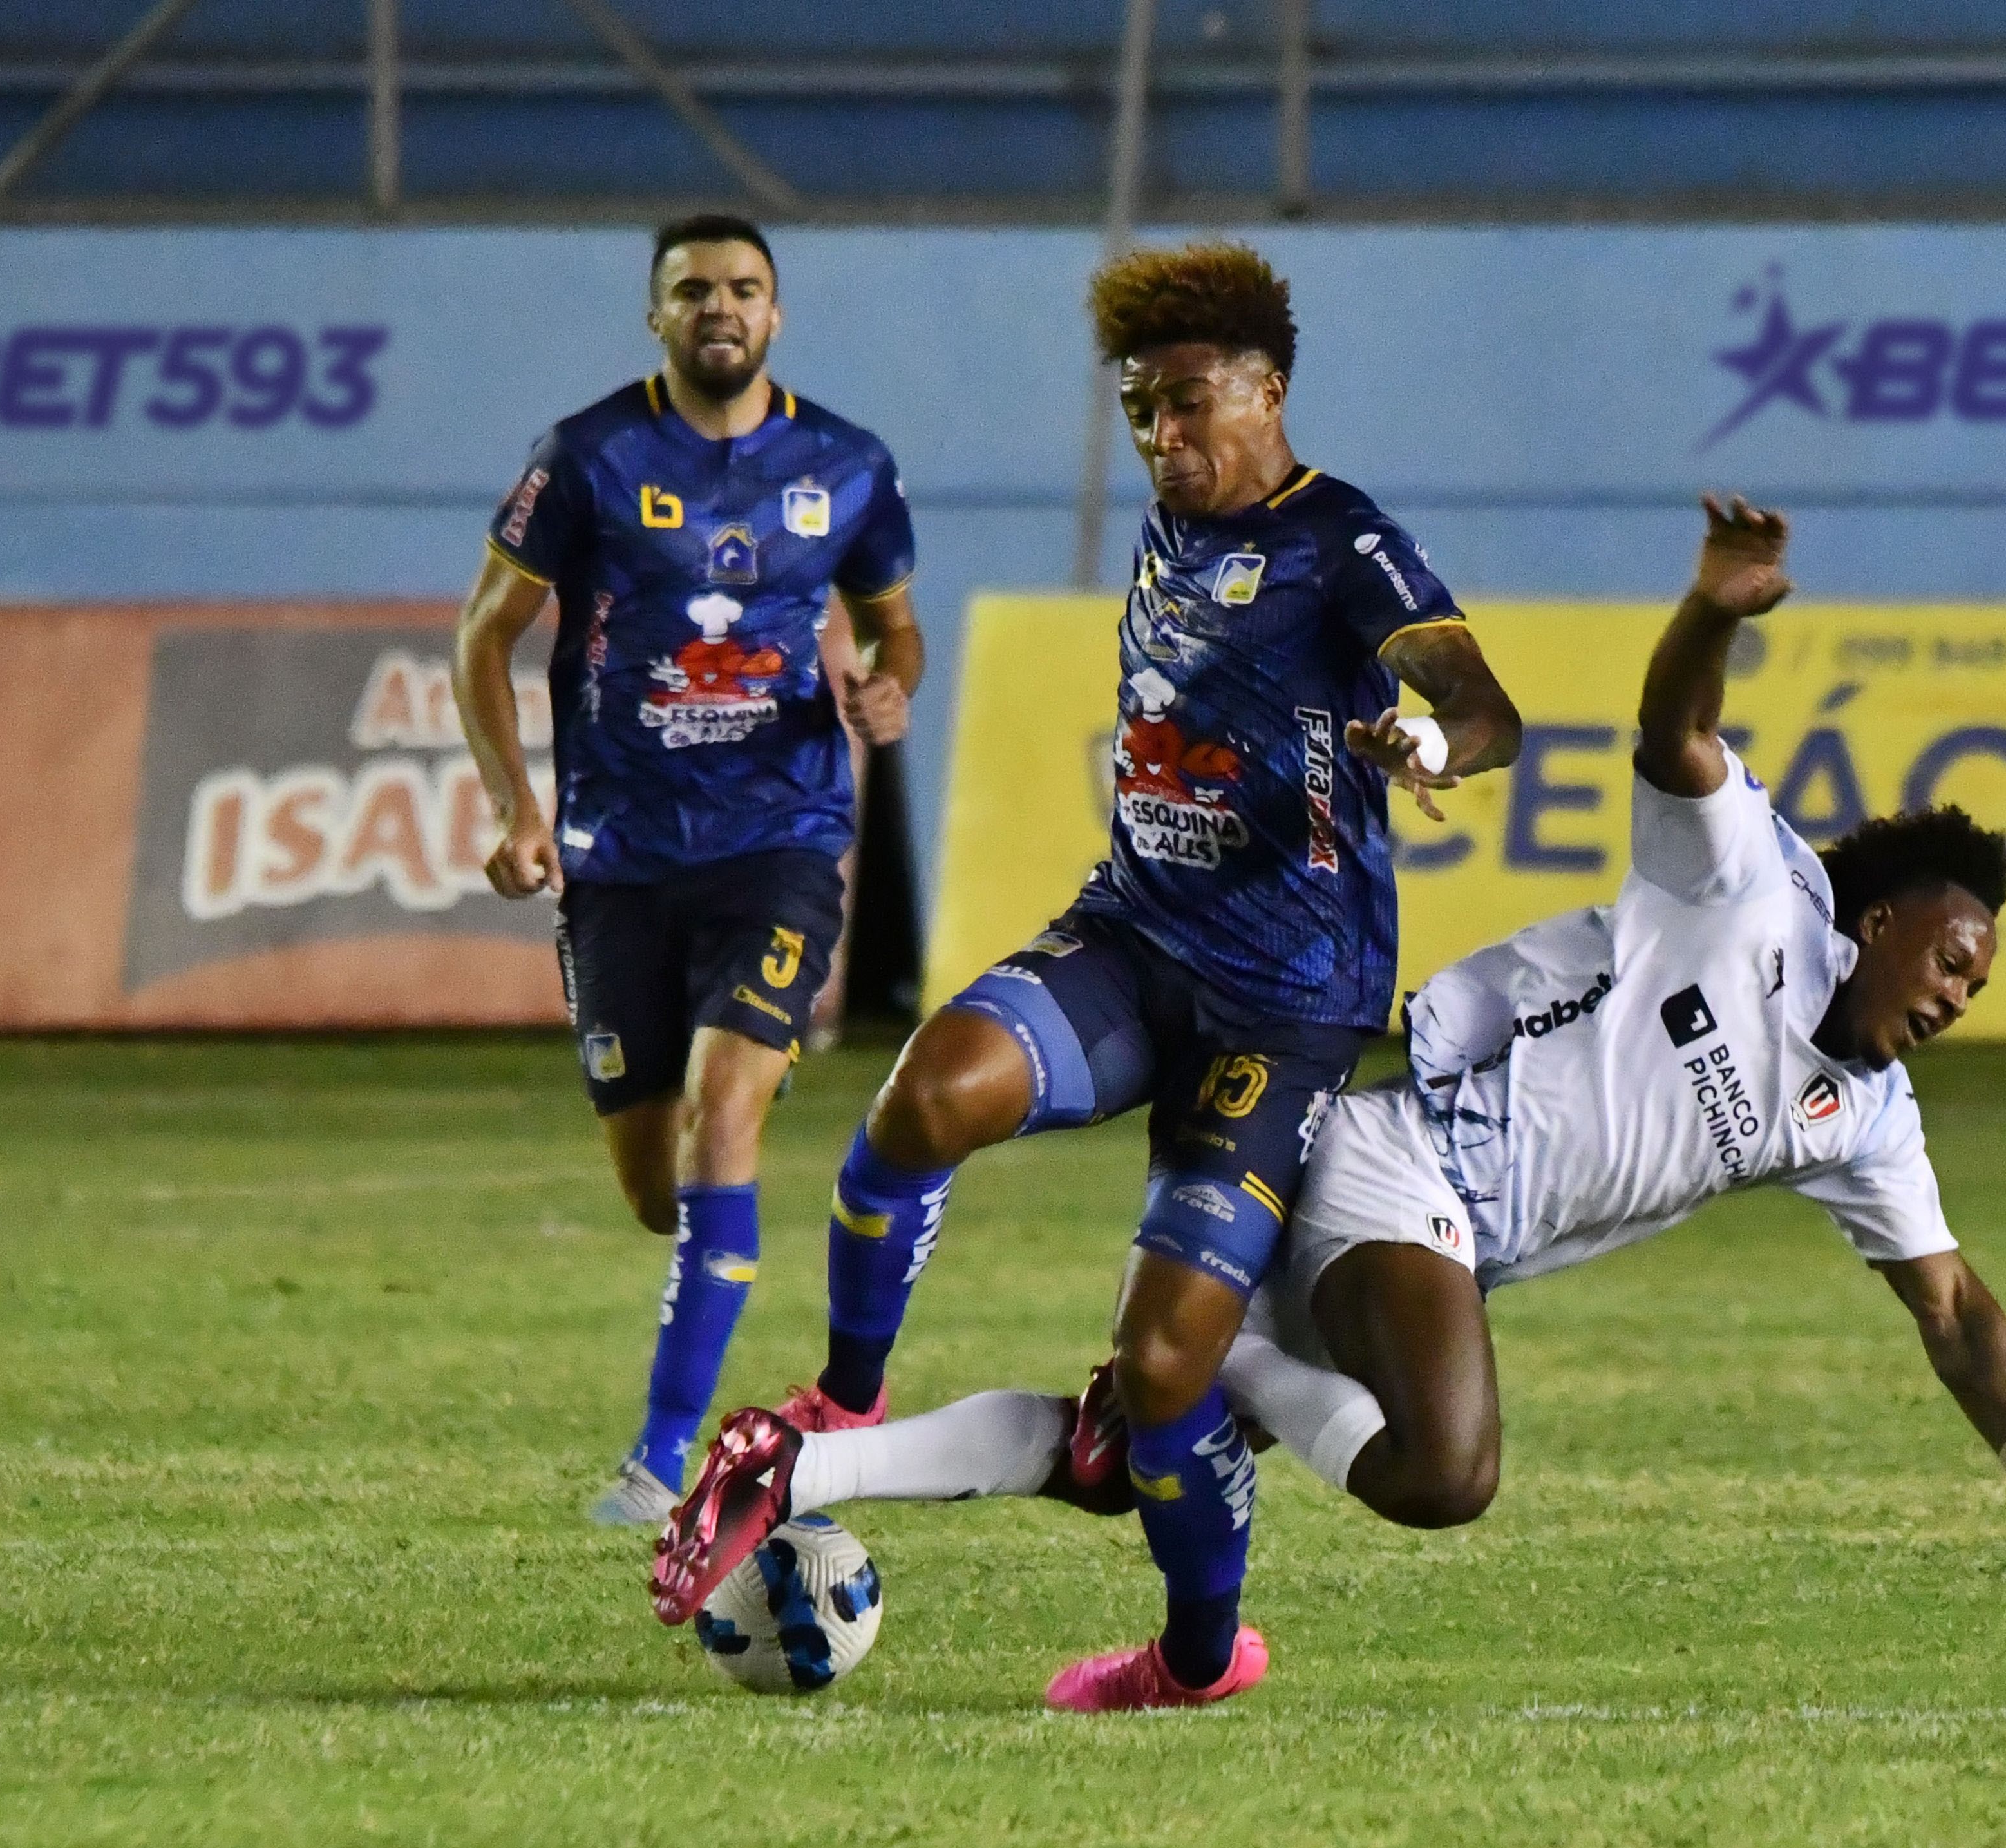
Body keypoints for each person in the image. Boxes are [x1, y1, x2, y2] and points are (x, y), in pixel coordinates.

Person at [674, 499, 2006, 1680]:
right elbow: (1678, 734)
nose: (1959, 993)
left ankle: (799, 1457)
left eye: (1978, 986)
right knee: (1444, 1472)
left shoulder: (1864, 1118)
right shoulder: (1751, 890)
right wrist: (1709, 608)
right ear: (1888, 914)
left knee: (1112, 1461)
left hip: (1444, 1244)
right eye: (1955, 956)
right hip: (1403, 1165)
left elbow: (1955, 1307)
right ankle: (1208, 1372)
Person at [650, 240, 1524, 1710]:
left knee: (1164, 1371)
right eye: (1138, 410)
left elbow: (1479, 701)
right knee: (930, 1092)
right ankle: (842, 1396)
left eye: (1188, 404)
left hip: (1285, 1004)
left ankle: (1195, 1658)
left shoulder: (1341, 541)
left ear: (1269, 390)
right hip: (1132, 934)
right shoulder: (1174, 526)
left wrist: (1431, 744)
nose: (1161, 438)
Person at [451, 213, 925, 1527]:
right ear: (656, 315)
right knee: (660, 1187)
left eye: (743, 287)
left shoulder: (847, 464)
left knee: (727, 1116)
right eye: (692, 289)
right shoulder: (589, 457)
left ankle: (663, 1459)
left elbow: (897, 632)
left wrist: (888, 693)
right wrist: (514, 805)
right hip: (618, 856)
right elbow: (483, 638)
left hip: (778, 841)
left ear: (776, 313)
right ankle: (724, 1268)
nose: (719, 306)